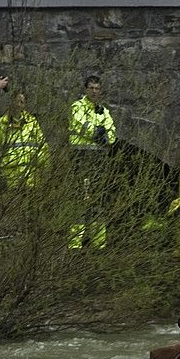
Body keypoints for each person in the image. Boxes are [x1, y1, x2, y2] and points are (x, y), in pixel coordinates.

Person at [67, 75, 116, 249]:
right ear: (86, 89)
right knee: (79, 199)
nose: (94, 91)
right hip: (81, 157)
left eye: (97, 88)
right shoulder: (78, 106)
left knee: (98, 199)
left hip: (99, 159)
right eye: (91, 88)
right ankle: (75, 243)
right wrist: (97, 133)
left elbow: (111, 132)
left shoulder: (103, 110)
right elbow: (80, 124)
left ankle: (98, 242)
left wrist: (105, 136)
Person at [0, 91, 48, 188]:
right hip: (10, 181)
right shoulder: (0, 124)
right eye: (16, 101)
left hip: (32, 180)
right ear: (11, 102)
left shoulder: (32, 123)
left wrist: (45, 171)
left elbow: (43, 149)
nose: (18, 105)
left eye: (21, 102)